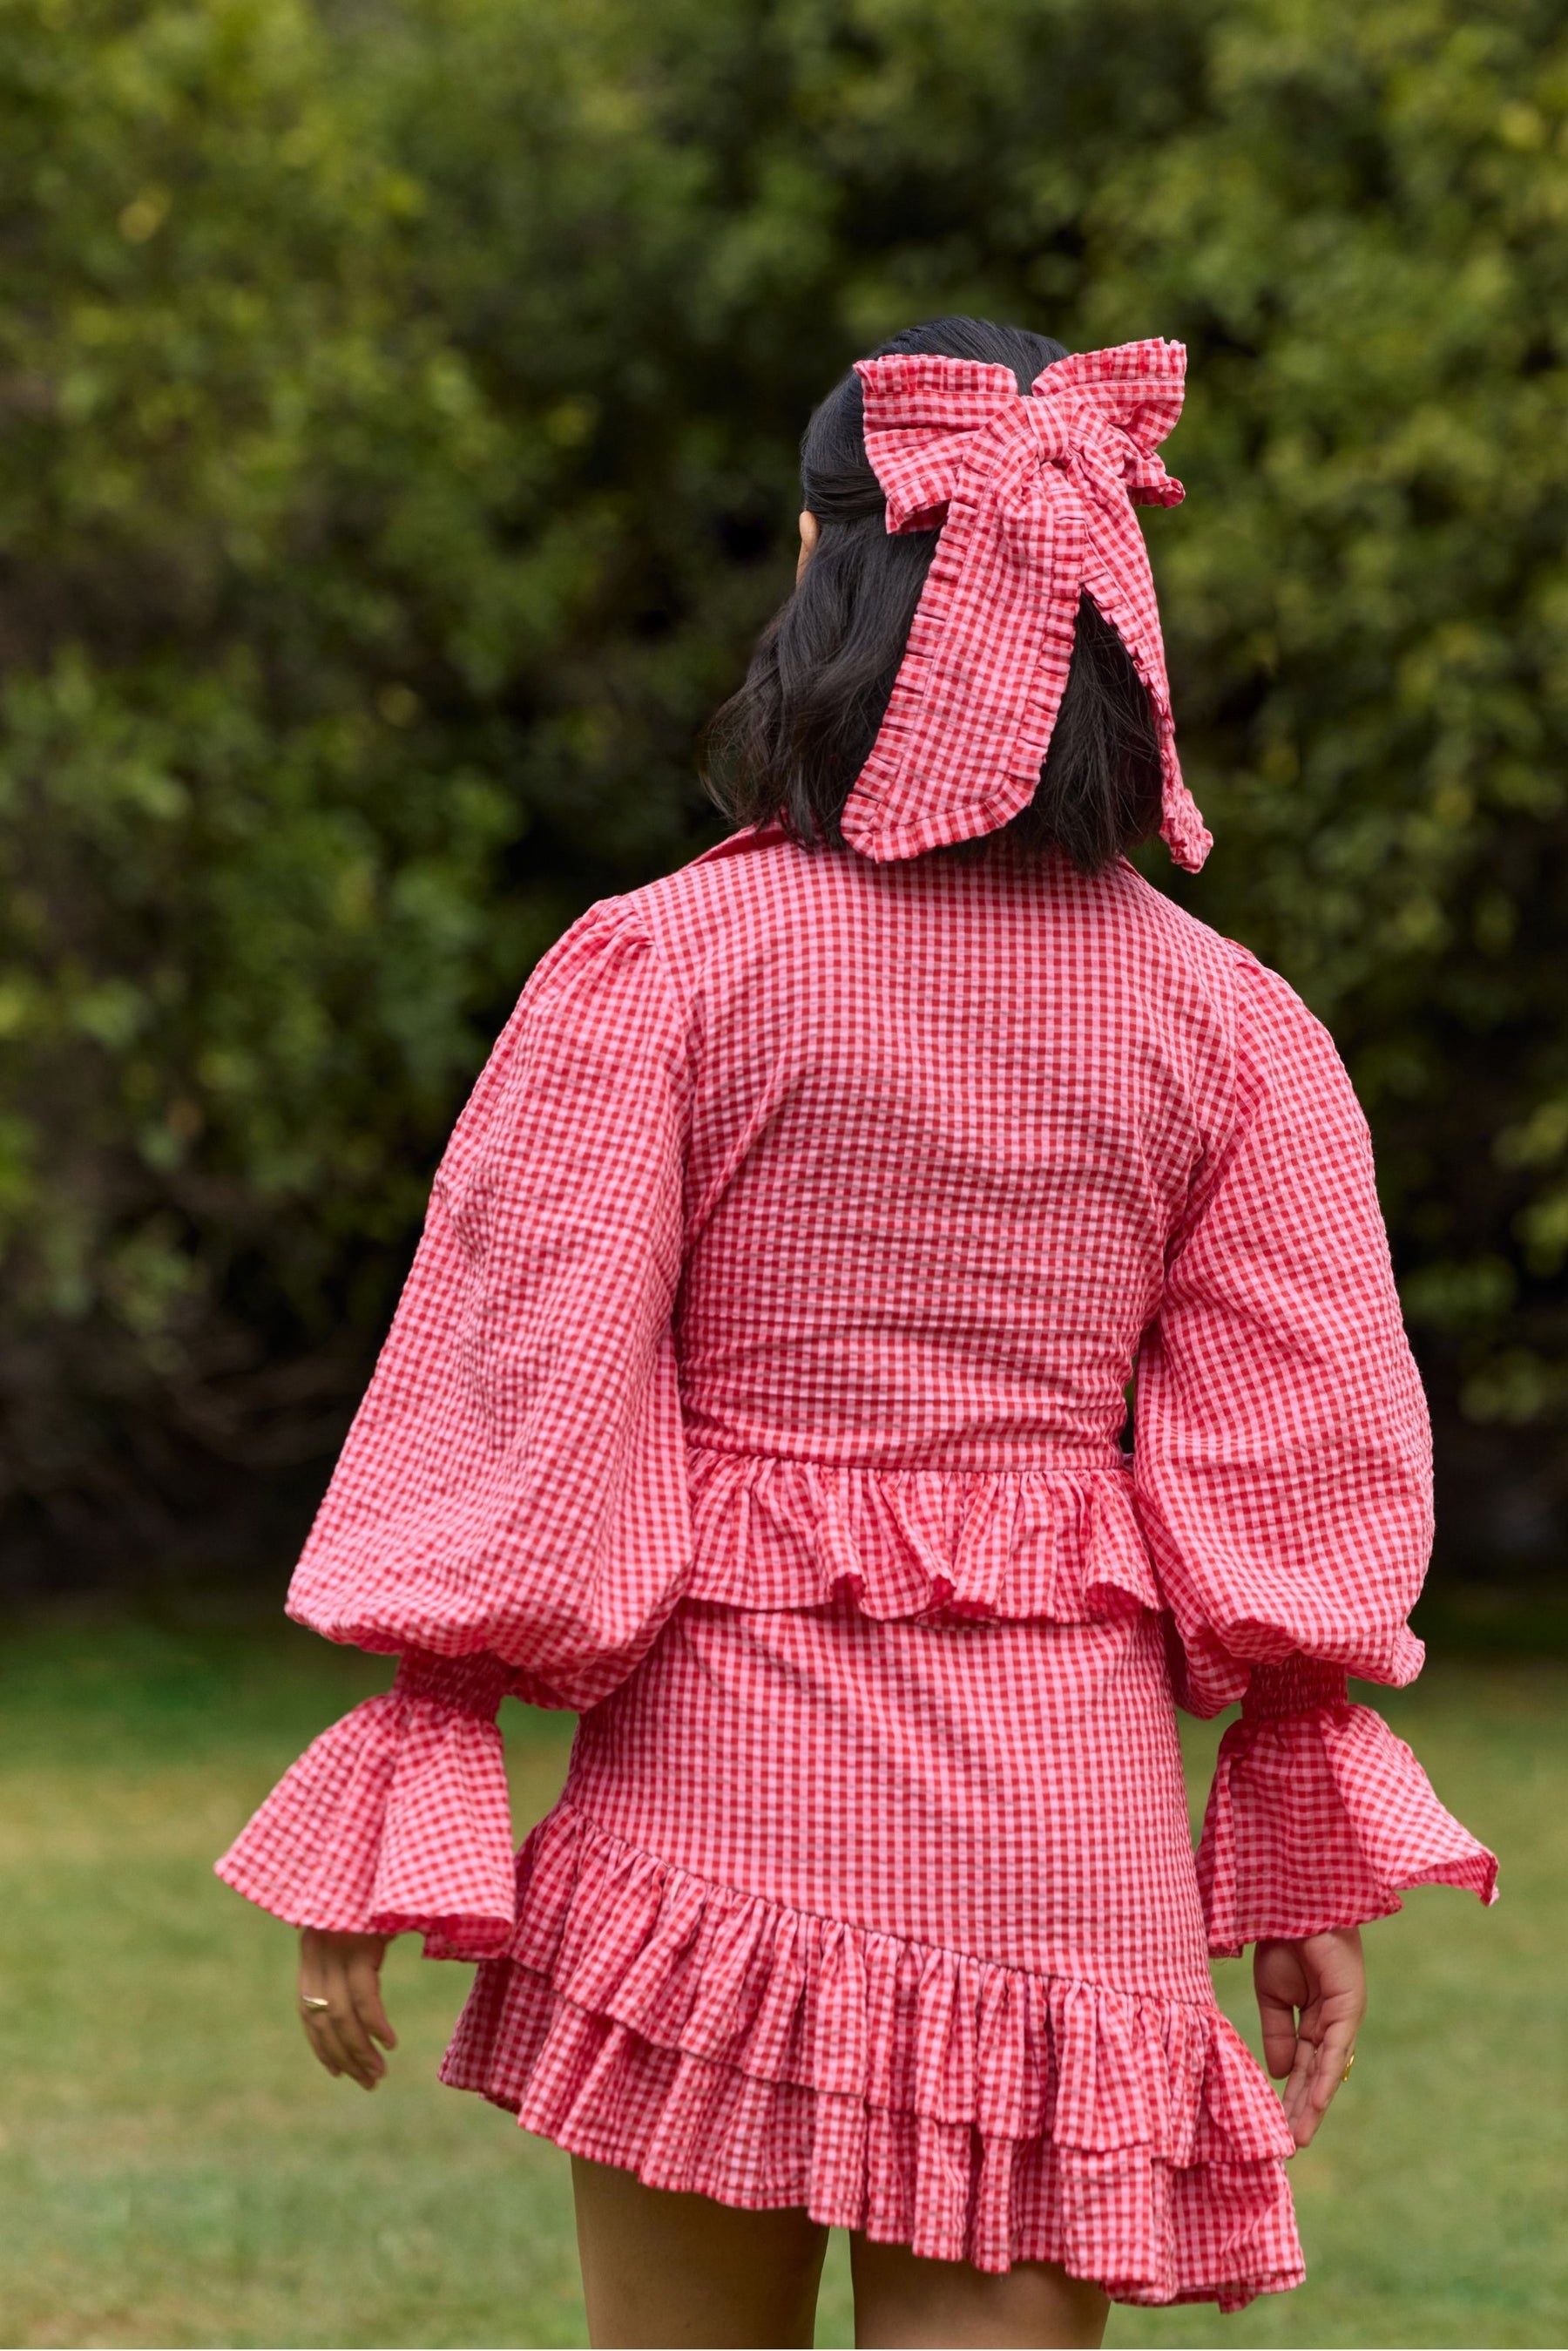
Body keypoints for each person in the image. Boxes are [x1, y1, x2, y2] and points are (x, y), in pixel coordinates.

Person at [216, 317, 1497, 2350]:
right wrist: (1296, 1802)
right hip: (1061, 1845)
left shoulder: (670, 965)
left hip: (715, 1798)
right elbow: (1303, 1435)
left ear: (829, 573)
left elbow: (526, 1379)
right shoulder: (1229, 1024)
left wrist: (427, 1723)